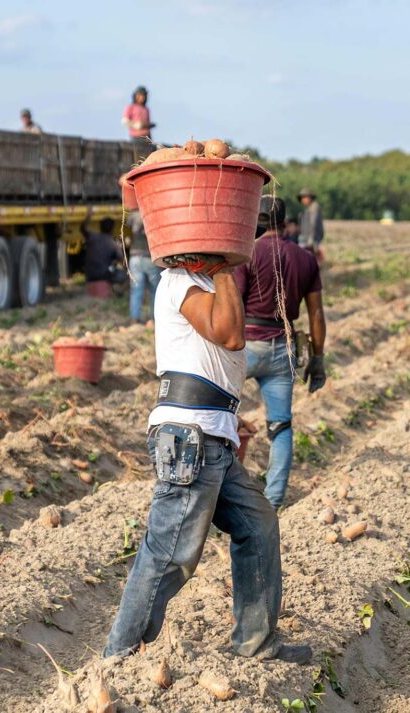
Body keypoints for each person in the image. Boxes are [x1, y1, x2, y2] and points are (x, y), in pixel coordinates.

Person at [103, 249, 311, 665]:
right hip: (189, 438)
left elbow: (217, 358)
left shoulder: (206, 281)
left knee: (258, 523)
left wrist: (230, 419)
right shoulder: (182, 280)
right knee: (169, 554)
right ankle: (118, 660)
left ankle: (255, 642)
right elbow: (230, 335)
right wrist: (224, 271)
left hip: (211, 434)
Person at [235, 197, 327, 509]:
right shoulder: (305, 259)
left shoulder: (247, 254)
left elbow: (233, 306)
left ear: (255, 220)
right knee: (281, 426)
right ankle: (273, 501)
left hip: (246, 346)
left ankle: (222, 497)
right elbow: (316, 314)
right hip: (283, 348)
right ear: (286, 222)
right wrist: (318, 358)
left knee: (215, 415)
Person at [126, 210, 161, 322]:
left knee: (136, 290)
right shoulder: (154, 214)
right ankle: (154, 319)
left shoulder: (133, 215)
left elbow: (127, 232)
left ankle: (134, 318)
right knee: (154, 290)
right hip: (149, 258)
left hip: (135, 258)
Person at [83, 218, 122, 284]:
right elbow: (122, 259)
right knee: (120, 272)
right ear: (112, 229)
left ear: (100, 227)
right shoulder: (112, 243)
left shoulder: (92, 237)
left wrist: (88, 216)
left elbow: (82, 229)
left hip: (89, 275)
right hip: (103, 277)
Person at [122, 85, 155, 160]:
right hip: (136, 138)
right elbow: (124, 121)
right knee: (138, 158)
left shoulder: (146, 109)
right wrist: (136, 125)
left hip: (146, 138)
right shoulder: (131, 107)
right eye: (140, 95)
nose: (142, 97)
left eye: (144, 95)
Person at [297, 187, 325, 260]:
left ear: (309, 197)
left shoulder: (314, 208)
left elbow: (313, 224)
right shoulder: (309, 208)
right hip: (309, 239)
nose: (302, 200)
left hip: (312, 240)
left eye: (304, 197)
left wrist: (310, 240)